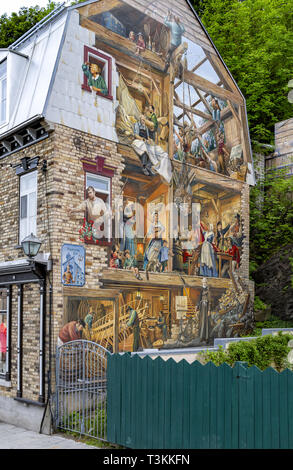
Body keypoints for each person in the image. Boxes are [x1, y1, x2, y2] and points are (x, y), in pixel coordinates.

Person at [132, 115, 172, 183]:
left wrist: (149, 140)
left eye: (144, 120)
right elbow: (136, 135)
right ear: (140, 120)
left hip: (145, 141)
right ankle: (144, 167)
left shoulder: (146, 127)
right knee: (144, 149)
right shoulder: (137, 124)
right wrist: (142, 139)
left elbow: (147, 136)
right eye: (142, 120)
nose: (143, 121)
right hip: (138, 141)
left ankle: (150, 166)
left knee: (155, 149)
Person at [198, 277, 211, 344]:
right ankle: (201, 337)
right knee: (201, 322)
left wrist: (209, 310)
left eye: (205, 282)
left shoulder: (208, 291)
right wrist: (197, 306)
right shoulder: (201, 290)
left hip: (206, 308)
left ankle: (206, 338)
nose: (204, 283)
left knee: (206, 322)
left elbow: (210, 302)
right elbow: (199, 299)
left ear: (206, 283)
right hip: (202, 308)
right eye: (203, 282)